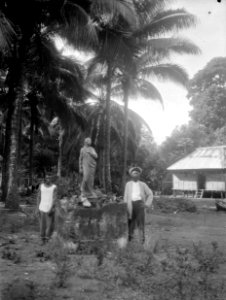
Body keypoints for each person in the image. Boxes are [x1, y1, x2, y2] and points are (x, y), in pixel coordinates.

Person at [124, 167, 153, 244]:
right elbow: (126, 196)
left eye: (137, 173)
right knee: (130, 222)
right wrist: (125, 205)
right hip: (130, 205)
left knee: (141, 223)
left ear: (139, 175)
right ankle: (130, 240)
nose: (135, 174)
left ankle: (142, 241)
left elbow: (150, 194)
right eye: (134, 173)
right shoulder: (128, 184)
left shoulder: (143, 184)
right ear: (131, 175)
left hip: (140, 205)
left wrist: (146, 204)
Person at [36, 174, 57, 244]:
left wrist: (51, 208)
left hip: (50, 209)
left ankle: (47, 239)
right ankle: (42, 239)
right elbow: (38, 197)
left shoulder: (54, 187)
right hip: (41, 208)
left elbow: (54, 199)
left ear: (51, 179)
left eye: (49, 178)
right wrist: (37, 208)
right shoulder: (41, 186)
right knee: (42, 225)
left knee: (50, 225)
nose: (48, 179)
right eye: (47, 178)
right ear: (44, 179)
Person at [79, 137, 98, 207]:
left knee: (91, 180)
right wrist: (80, 167)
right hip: (85, 165)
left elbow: (96, 156)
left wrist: (90, 153)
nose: (90, 142)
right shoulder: (82, 149)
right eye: (89, 141)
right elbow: (80, 159)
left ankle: (90, 192)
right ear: (85, 142)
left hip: (92, 166)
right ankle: (82, 191)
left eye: (90, 141)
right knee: (86, 178)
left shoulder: (91, 149)